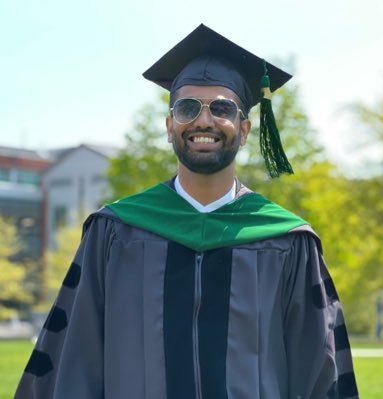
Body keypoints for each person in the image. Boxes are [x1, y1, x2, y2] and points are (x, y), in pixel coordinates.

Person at [15, 24, 359, 399]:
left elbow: (321, 371)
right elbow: (73, 362)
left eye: (222, 109)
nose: (204, 121)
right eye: (187, 107)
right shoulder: (114, 233)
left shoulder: (288, 243)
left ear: (244, 130)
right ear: (169, 126)